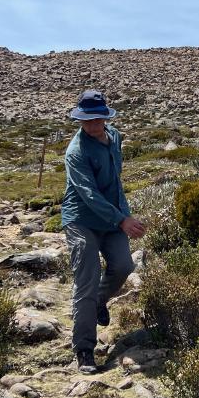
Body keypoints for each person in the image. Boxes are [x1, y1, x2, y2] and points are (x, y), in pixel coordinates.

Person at [61, 89, 147, 374]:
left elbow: (115, 183)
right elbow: (89, 194)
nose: (93, 124)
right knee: (86, 281)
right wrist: (122, 220)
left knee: (123, 265)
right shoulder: (76, 152)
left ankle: (99, 302)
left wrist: (125, 215)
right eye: (87, 119)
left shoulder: (115, 137)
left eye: (98, 118)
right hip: (81, 220)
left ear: (105, 117)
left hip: (112, 219)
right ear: (80, 120)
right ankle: (84, 349)